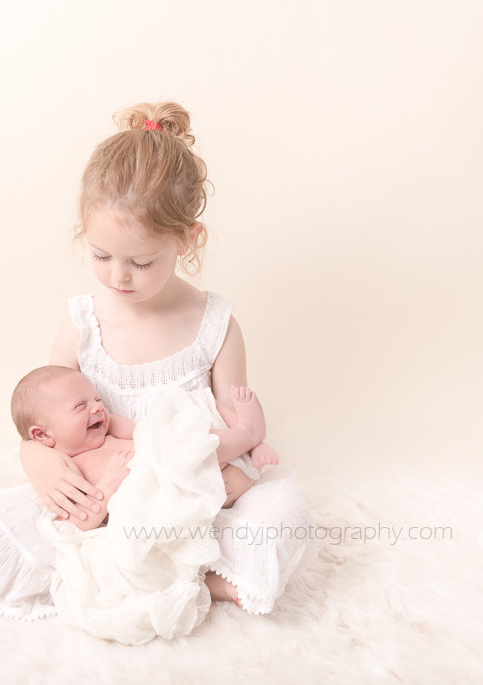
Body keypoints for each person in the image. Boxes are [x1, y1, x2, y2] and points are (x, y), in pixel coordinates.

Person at [18, 101, 311, 611]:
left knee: (282, 512)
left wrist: (181, 465)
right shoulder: (84, 323)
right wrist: (34, 456)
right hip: (104, 491)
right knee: (40, 522)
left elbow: (232, 429)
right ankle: (163, 573)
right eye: (101, 255)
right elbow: (44, 409)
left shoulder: (214, 326)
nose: (118, 276)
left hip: (191, 488)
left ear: (186, 240)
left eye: (140, 261)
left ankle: (181, 571)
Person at [11, 365, 273, 531]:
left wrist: (164, 439)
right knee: (223, 481)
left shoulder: (108, 425)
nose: (97, 408)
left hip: (170, 463)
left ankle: (247, 436)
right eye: (81, 406)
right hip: (158, 500)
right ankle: (247, 445)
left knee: (185, 435)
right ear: (43, 435)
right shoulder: (63, 471)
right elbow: (79, 523)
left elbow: (145, 431)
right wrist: (109, 484)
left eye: (97, 399)